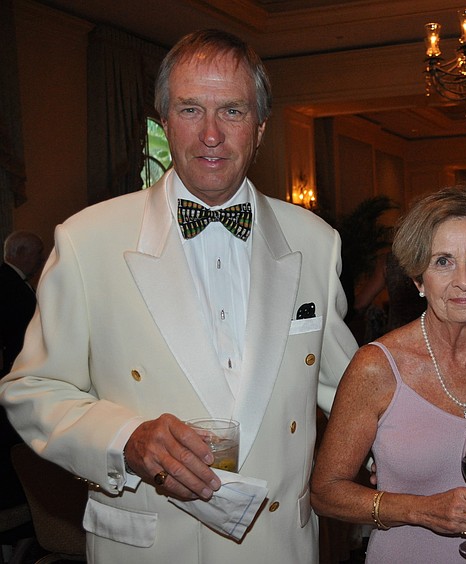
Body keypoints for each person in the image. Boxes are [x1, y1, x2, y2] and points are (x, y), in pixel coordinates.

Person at [0, 29, 357, 564]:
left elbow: (350, 388)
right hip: (151, 543)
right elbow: (33, 387)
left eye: (232, 111)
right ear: (164, 121)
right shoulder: (87, 239)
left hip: (280, 544)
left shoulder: (315, 241)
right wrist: (126, 439)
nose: (210, 134)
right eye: (191, 109)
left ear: (259, 128)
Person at [311, 184, 466, 563]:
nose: (463, 280)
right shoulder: (376, 368)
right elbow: (324, 492)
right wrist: (418, 509)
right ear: (417, 280)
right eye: (442, 262)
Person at [0, 230, 43, 512]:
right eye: (38, 255)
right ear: (23, 254)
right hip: (15, 371)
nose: (40, 261)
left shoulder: (11, 280)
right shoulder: (8, 283)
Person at [0, 231, 43, 376]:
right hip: (16, 363)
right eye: (38, 252)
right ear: (20, 252)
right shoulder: (7, 282)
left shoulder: (15, 280)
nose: (41, 259)